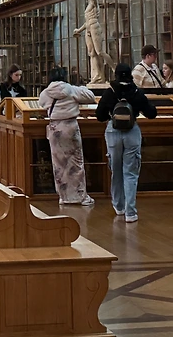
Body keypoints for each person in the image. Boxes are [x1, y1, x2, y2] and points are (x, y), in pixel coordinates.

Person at [95, 63, 158, 223]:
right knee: (130, 172)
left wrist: (111, 114)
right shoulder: (136, 92)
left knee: (116, 170)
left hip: (113, 131)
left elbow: (100, 115)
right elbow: (151, 113)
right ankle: (131, 212)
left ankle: (119, 206)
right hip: (131, 132)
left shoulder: (110, 92)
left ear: (116, 75)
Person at [38, 67, 97, 206]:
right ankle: (80, 196)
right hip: (70, 127)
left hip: (55, 128)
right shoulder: (71, 89)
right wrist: (82, 88)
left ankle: (64, 197)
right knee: (76, 162)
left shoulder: (46, 92)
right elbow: (90, 96)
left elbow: (41, 104)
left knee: (59, 164)